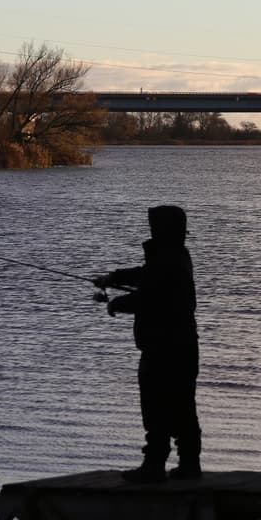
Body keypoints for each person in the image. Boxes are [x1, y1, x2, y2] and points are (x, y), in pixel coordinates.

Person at [95, 205, 202, 483]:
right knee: (183, 407)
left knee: (156, 407)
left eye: (154, 226)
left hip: (161, 349)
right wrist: (114, 278)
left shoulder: (166, 261)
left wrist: (116, 304)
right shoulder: (178, 256)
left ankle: (154, 466)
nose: (151, 230)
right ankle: (190, 465)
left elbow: (147, 298)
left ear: (161, 230)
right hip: (184, 346)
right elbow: (145, 275)